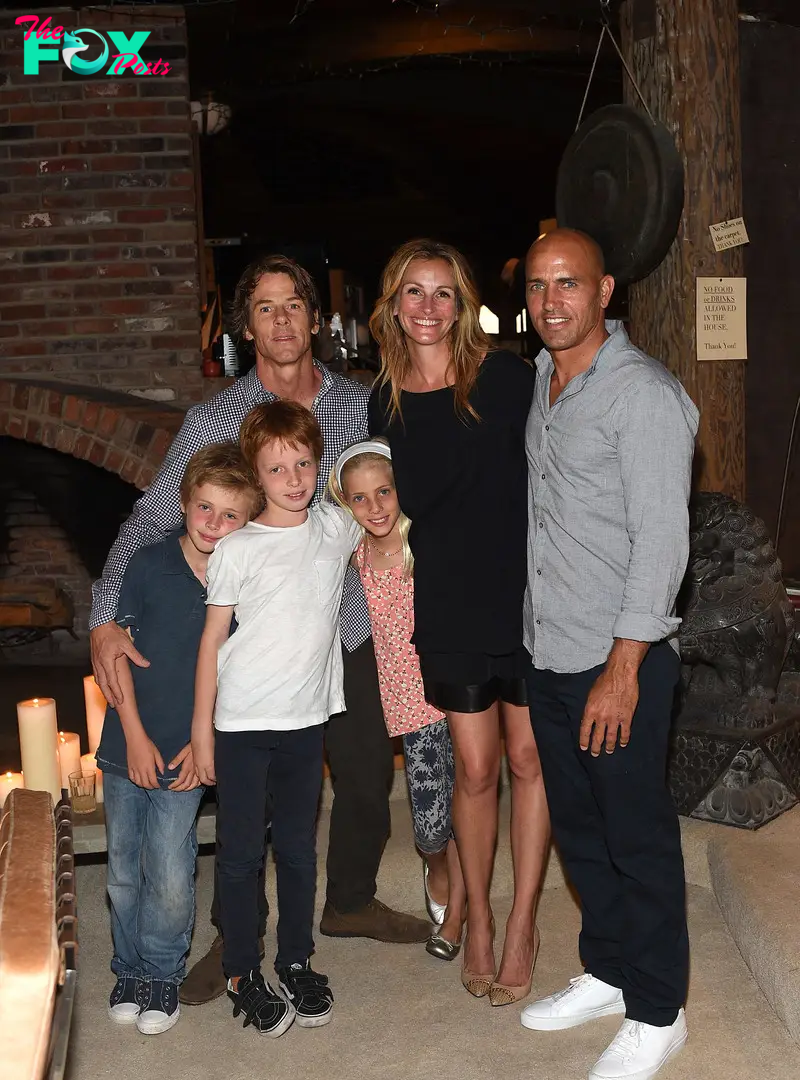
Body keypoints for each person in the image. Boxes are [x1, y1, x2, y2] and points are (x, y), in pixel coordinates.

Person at [89, 254, 430, 1005]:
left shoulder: (360, 403)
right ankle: (231, 935)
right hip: (248, 634)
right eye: (265, 309)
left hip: (343, 617)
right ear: (248, 327)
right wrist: (106, 617)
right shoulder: (215, 420)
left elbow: (395, 485)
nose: (281, 321)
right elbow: (153, 516)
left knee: (368, 773)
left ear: (315, 318)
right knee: (241, 800)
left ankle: (347, 902)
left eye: (293, 306)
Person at [519, 228, 698, 1080]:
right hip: (549, 649)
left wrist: (623, 667)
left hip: (614, 659)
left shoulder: (644, 395)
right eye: (538, 285)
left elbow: (663, 541)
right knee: (582, 832)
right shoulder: (547, 384)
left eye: (569, 284)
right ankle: (611, 970)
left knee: (636, 835)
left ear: (605, 291)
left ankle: (660, 1011)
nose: (552, 301)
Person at [368, 239, 550, 1006]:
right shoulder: (384, 399)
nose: (431, 309)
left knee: (528, 763)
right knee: (474, 770)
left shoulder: (508, 378)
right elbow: (370, 501)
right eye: (416, 292)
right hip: (445, 602)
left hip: (531, 596)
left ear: (465, 304)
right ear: (393, 305)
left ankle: (522, 924)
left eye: (445, 293)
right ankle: (476, 916)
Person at [192, 401, 361, 1038]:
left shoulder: (332, 527)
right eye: (276, 468)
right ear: (255, 476)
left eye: (303, 464)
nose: (292, 478)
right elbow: (212, 642)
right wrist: (201, 732)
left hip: (305, 721)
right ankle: (241, 968)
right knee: (239, 856)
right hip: (239, 723)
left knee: (295, 850)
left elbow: (380, 499)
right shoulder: (237, 548)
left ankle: (296, 960)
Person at [96, 443, 262, 1035]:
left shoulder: (242, 582)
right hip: (128, 743)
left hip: (189, 753)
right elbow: (120, 658)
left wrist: (207, 742)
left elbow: (238, 675)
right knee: (121, 869)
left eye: (230, 515)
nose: (214, 524)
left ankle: (162, 974)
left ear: (249, 521)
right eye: (204, 508)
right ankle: (128, 967)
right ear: (185, 503)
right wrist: (134, 737)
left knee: (169, 866)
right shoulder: (147, 565)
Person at [330, 438, 466, 959]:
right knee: (430, 818)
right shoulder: (354, 557)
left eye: (384, 491)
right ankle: (437, 862)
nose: (375, 506)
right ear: (346, 504)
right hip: (405, 701)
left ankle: (465, 896)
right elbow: (345, 628)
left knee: (469, 791)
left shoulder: (423, 541)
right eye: (360, 498)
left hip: (451, 689)